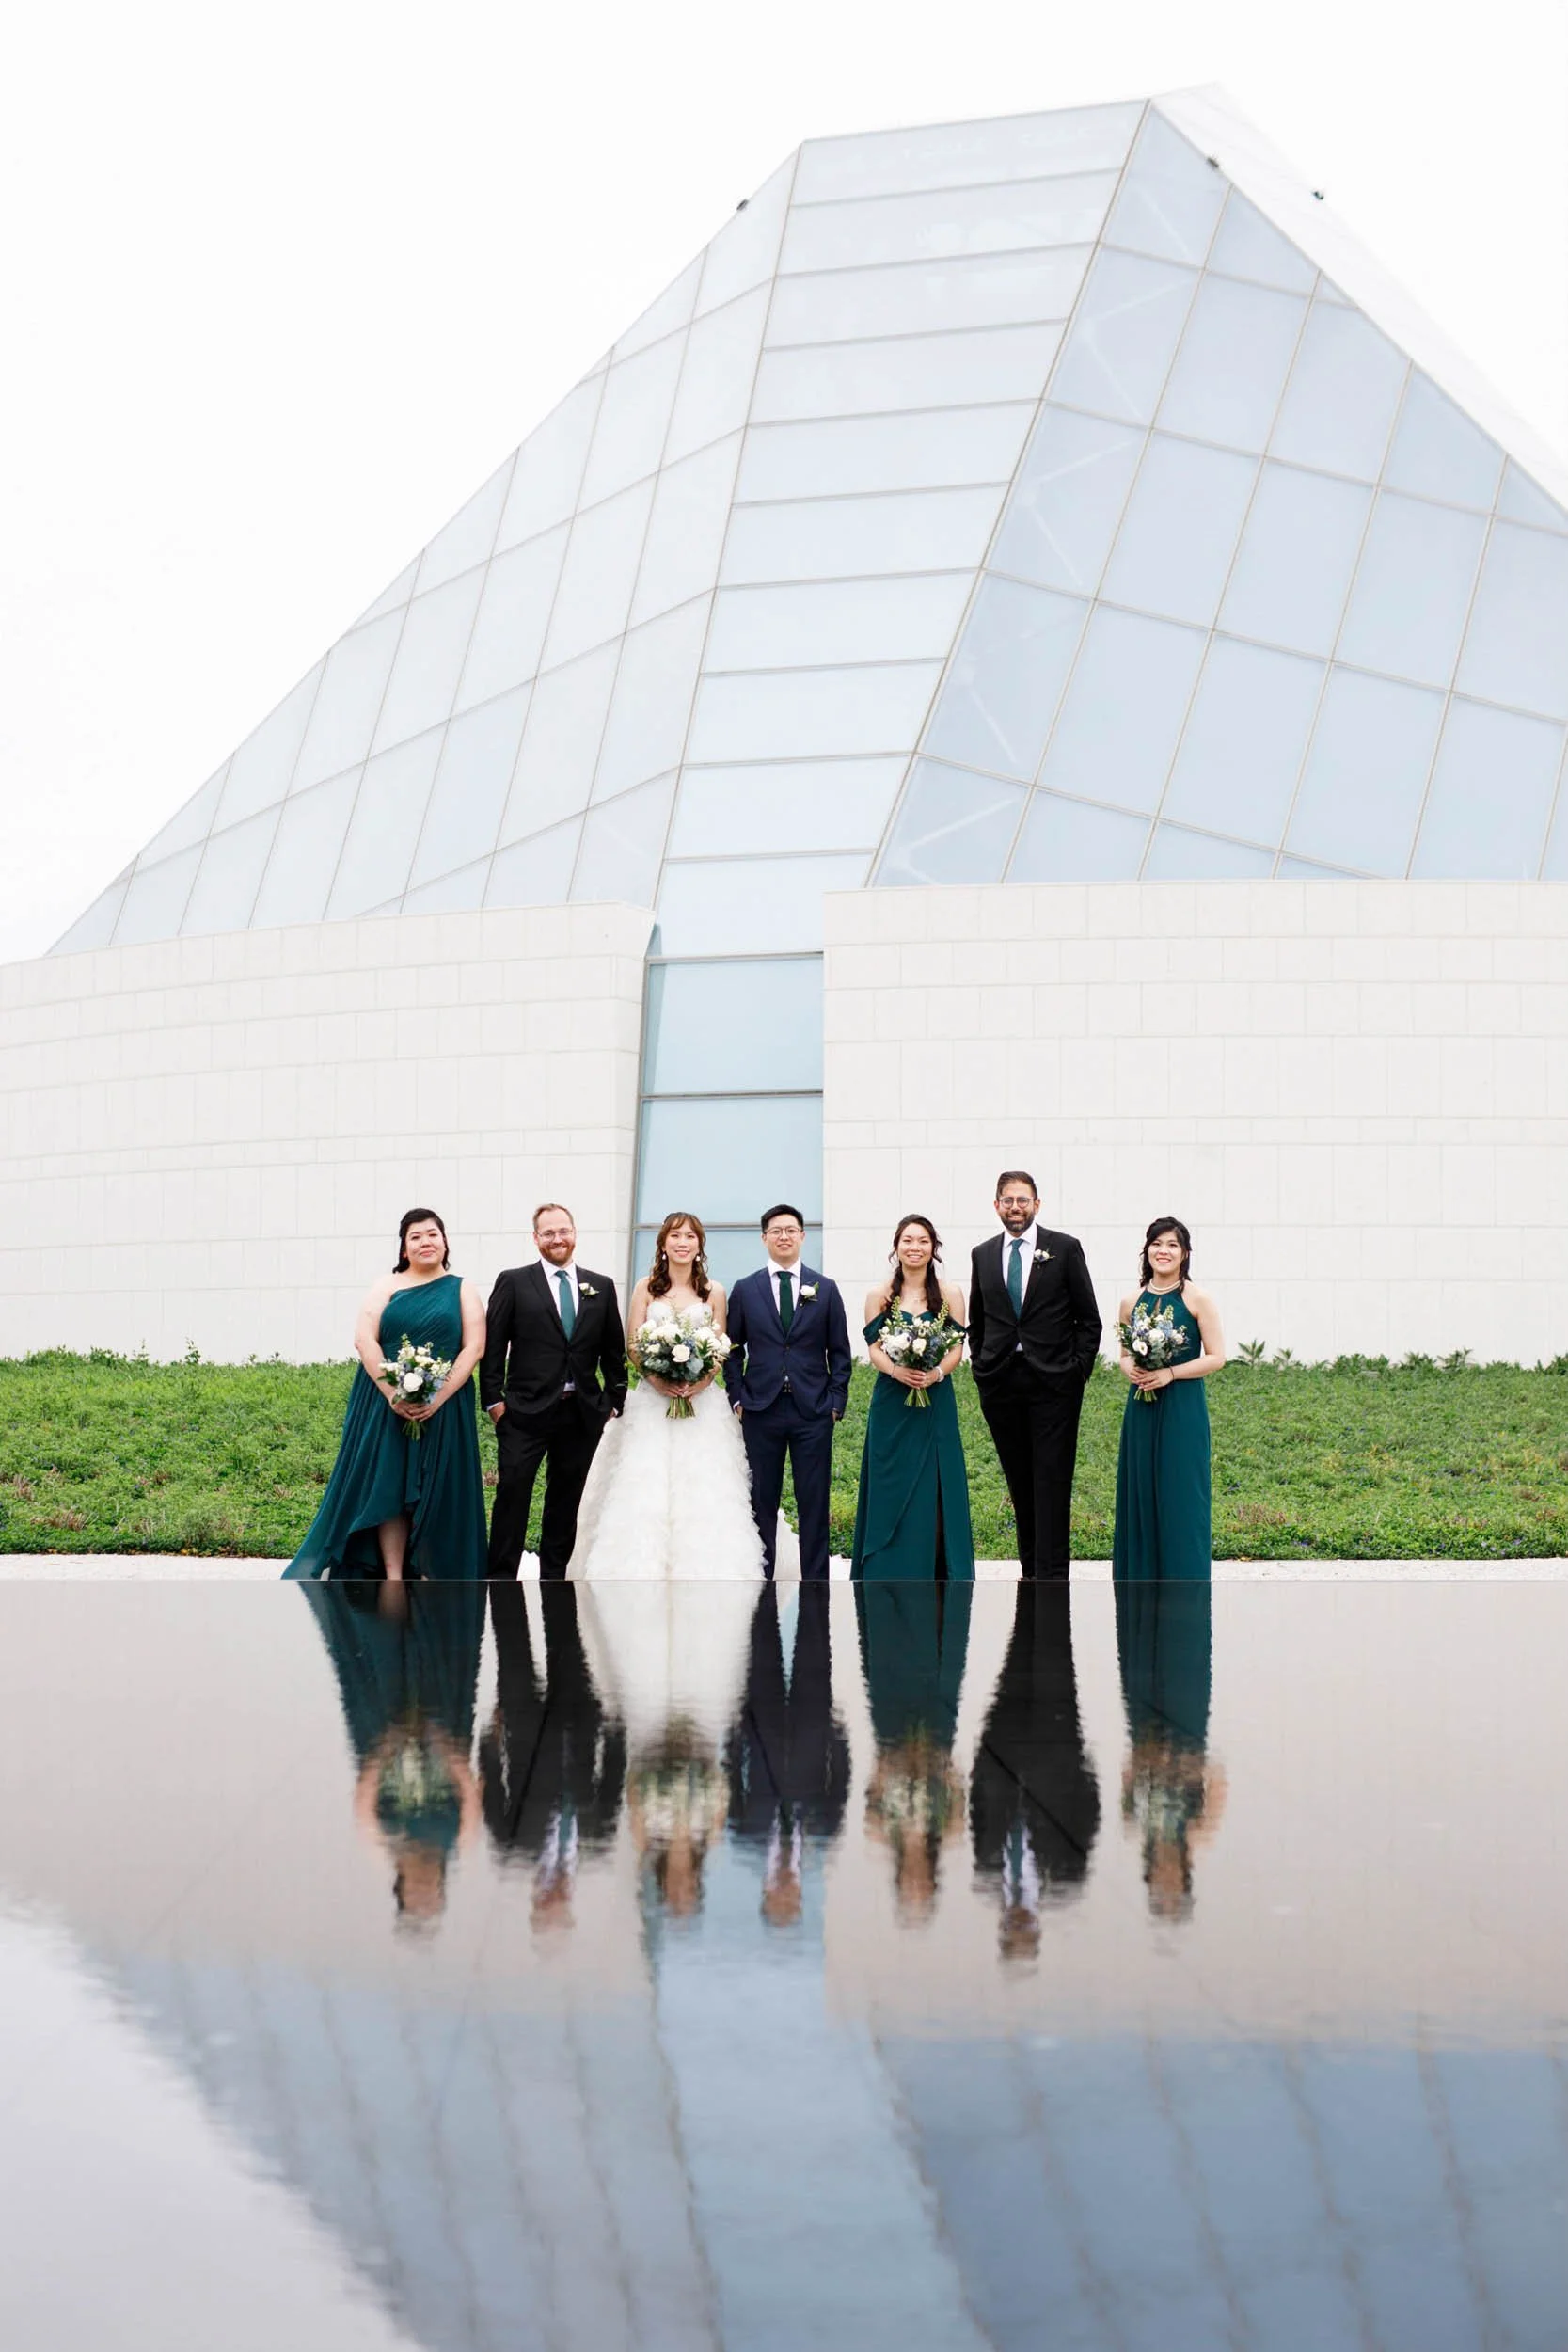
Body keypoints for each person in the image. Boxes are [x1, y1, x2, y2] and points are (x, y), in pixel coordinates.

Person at [284, 1207, 488, 1581]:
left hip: (446, 1404)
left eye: (432, 1234)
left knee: (436, 1486)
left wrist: (436, 1398)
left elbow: (473, 1347)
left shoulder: (464, 1288)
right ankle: (392, 1575)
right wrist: (394, 1393)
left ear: (445, 1241)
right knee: (388, 1485)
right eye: (416, 1237)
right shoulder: (386, 1286)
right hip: (382, 1402)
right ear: (403, 1249)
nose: (425, 1241)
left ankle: (430, 1571)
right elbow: (365, 1339)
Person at [568, 1211, 763, 1581]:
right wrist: (659, 1380)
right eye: (675, 1236)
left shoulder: (715, 1292)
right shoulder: (646, 1288)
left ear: (699, 1245)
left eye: (690, 1236)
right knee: (645, 1484)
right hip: (651, 1403)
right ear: (663, 1244)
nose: (682, 1242)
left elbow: (721, 1348)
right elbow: (633, 1344)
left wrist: (699, 1383)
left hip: (702, 1404)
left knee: (703, 1485)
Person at [299, 1579, 486, 1926]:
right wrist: (451, 1750)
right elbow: (471, 1801)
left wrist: (383, 1747)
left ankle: (409, 1606)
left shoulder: (385, 1841)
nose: (425, 1883)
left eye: (420, 1892)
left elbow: (364, 1801)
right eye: (428, 1892)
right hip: (434, 1755)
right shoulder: (456, 1843)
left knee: (402, 1679)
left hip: (398, 1757)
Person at [480, 1203, 626, 1581]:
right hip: (523, 1413)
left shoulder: (602, 1285)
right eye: (548, 1233)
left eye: (563, 1231)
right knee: (513, 1494)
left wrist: (613, 1401)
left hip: (580, 1413)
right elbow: (494, 1345)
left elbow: (614, 1351)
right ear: (536, 1239)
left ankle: (554, 1579)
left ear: (575, 1233)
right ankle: (500, 1580)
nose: (557, 1239)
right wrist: (494, 1401)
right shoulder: (513, 1282)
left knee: (566, 1499)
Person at [968, 1169, 1101, 1581]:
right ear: (996, 1206)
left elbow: (1088, 1319)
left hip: (1055, 1384)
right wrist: (982, 1368)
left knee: (1052, 1479)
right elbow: (979, 1318)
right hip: (1001, 1382)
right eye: (1007, 1200)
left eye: (1022, 1200)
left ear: (1037, 1205)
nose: (1015, 1208)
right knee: (1019, 1480)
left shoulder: (1064, 1248)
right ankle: (1030, 1572)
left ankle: (1053, 1575)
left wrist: (1077, 1370)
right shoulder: (983, 1254)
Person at [478, 1581, 626, 1929]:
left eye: (549, 1901)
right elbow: (612, 1782)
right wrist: (615, 1730)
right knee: (541, 1644)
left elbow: (491, 1793)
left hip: (539, 1726)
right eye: (556, 1901)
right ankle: (519, 1589)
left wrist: (489, 1742)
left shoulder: (514, 1850)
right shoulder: (595, 1841)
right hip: (554, 1726)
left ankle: (554, 1586)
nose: (554, 1893)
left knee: (545, 1643)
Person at [969, 1581, 1101, 1961]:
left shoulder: (993, 1870)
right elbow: (1087, 1816)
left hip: (1052, 1754)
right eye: (1022, 1930)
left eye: (1015, 1930)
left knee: (1051, 1662)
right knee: (1016, 1670)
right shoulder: (1063, 1876)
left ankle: (1040, 1603)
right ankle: (1032, 1605)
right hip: (1012, 1751)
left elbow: (978, 1809)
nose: (1019, 1922)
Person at [726, 1203, 852, 1581]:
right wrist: (737, 1398)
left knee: (813, 1501)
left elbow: (841, 1353)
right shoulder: (745, 1290)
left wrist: (835, 1402)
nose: (784, 1236)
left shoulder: (825, 1289)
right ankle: (761, 1581)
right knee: (761, 1501)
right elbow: (732, 1349)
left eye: (791, 1230)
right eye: (776, 1230)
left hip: (813, 1411)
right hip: (760, 1409)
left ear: (802, 1236)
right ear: (764, 1238)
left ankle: (816, 1582)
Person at [852, 1215, 974, 1582]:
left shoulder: (950, 1294)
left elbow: (956, 1349)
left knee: (934, 1483)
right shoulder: (880, 1296)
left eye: (922, 1241)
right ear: (896, 1247)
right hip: (892, 1398)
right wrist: (896, 1370)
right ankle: (885, 1565)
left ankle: (935, 1568)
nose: (915, 1247)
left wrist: (935, 1373)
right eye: (908, 1240)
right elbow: (874, 1349)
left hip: (935, 1398)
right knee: (892, 1479)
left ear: (933, 1248)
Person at [725, 1583, 850, 1927]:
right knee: (773, 1642)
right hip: (792, 1724)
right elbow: (839, 1786)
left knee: (793, 1641)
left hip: (781, 1725)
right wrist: (837, 1737)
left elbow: (732, 1780)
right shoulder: (822, 1834)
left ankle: (802, 1588)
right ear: (798, 1895)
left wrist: (735, 1735)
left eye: (779, 1899)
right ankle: (765, 1589)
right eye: (789, 1900)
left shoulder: (746, 1836)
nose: (784, 1891)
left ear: (766, 1893)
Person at [1112, 1216, 1225, 1582]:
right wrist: (1129, 1368)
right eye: (1157, 1244)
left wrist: (1171, 1373)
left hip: (1182, 1407)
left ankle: (1184, 1579)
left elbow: (1216, 1356)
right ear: (1146, 1250)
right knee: (1141, 1487)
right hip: (1142, 1405)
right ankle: (1139, 1580)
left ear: (1185, 1253)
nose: (1164, 1251)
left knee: (1181, 1491)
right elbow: (1125, 1354)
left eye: (1172, 1245)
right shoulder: (1131, 1301)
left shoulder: (1197, 1299)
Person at [857, 1577, 973, 1923]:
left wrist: (894, 1763)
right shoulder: (950, 1831)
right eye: (920, 1889)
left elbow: (875, 1781)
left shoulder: (878, 1831)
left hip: (895, 1743)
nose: (915, 1882)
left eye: (912, 1890)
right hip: (933, 1747)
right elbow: (956, 1781)